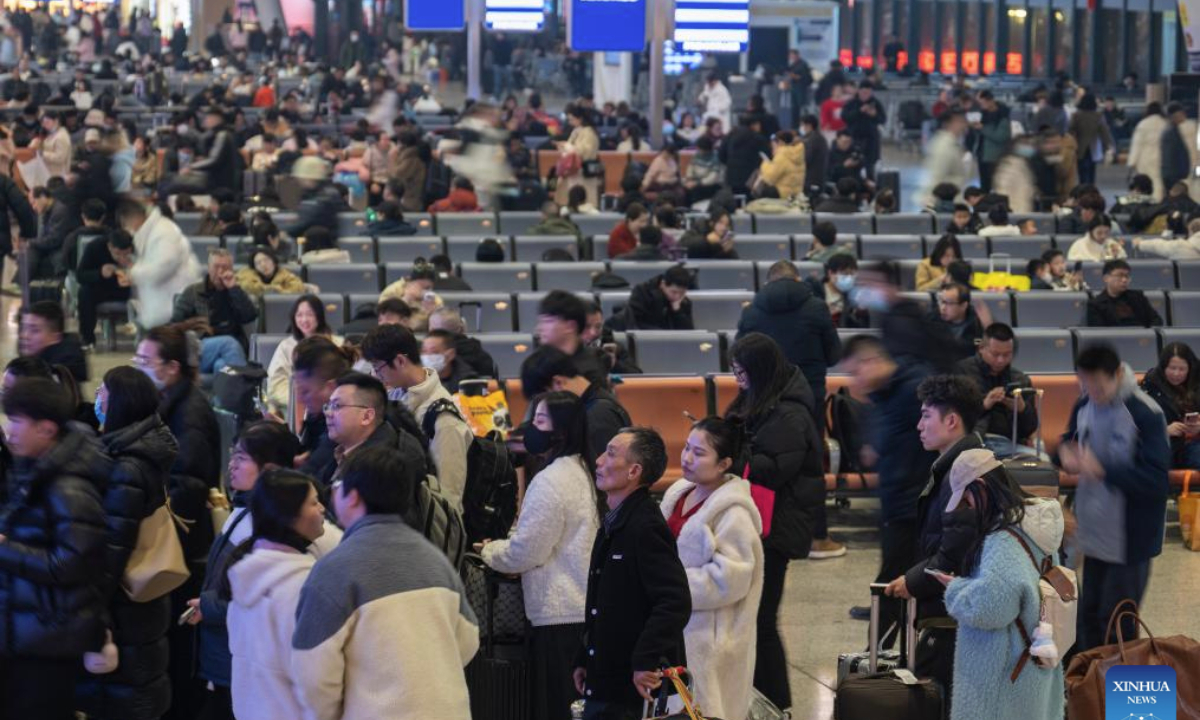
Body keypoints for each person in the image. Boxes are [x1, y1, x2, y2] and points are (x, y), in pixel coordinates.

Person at [292, 444, 479, 719]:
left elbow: (313, 673)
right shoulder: (434, 559)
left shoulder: (334, 570)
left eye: (336, 484)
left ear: (353, 497)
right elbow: (469, 639)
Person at [480, 392, 599, 720]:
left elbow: (525, 552)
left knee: (557, 709)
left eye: (541, 421)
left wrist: (490, 550)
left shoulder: (552, 481)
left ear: (561, 431)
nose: (532, 427)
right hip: (579, 609)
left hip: (559, 615)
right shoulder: (582, 471)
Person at [724, 334, 824, 712]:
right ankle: (760, 701)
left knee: (763, 621)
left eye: (741, 371)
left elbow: (771, 469)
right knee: (755, 619)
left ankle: (777, 704)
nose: (737, 379)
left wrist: (728, 454)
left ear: (760, 370)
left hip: (777, 527)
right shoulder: (765, 401)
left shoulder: (789, 413)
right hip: (765, 521)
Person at [0, 377, 109, 720]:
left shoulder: (68, 487)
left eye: (17, 421)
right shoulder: (34, 469)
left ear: (46, 430)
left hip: (49, 639)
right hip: (27, 630)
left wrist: (5, 549)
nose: (9, 430)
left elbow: (72, 563)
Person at [74, 367, 175, 720]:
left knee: (126, 699)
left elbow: (114, 549)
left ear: (119, 403)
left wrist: (93, 611)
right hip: (137, 610)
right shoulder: (132, 453)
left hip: (125, 610)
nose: (97, 398)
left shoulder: (127, 468)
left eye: (103, 392)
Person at [934, 452, 1065, 720]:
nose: (969, 507)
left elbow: (991, 608)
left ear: (981, 487)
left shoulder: (1003, 539)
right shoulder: (1038, 530)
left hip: (1005, 678)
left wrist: (955, 589)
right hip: (1036, 666)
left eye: (968, 498)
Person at [573, 428, 691, 720]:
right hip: (605, 671)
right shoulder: (614, 522)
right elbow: (603, 602)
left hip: (630, 685)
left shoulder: (645, 526)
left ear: (634, 471)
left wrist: (646, 660)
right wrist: (585, 656)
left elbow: (674, 601)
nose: (599, 460)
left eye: (611, 453)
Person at [1059, 344, 1169, 652]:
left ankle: (1121, 699)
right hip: (1093, 532)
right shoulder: (1084, 405)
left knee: (1118, 622)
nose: (1091, 391)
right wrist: (1064, 451)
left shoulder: (1145, 413)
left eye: (1098, 385)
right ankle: (1090, 694)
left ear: (1118, 374)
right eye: (1085, 383)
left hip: (1130, 538)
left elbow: (1158, 482)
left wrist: (1104, 471)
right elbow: (1070, 440)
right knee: (1088, 618)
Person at [884, 374, 986, 698]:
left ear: (952, 420)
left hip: (953, 620)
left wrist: (913, 581)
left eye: (927, 415)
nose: (919, 425)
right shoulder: (958, 465)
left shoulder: (964, 474)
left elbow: (955, 554)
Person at [662, 417, 763, 720]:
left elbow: (729, 580)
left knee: (702, 711)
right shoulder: (679, 492)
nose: (687, 458)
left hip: (707, 637)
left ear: (724, 464)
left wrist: (671, 585)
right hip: (671, 625)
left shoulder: (734, 513)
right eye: (687, 448)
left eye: (699, 453)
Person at [840, 335, 936, 629]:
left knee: (894, 583)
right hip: (897, 501)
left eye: (856, 372)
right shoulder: (885, 394)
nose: (855, 381)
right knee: (895, 583)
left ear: (871, 361)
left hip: (915, 504)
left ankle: (877, 662)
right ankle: (886, 658)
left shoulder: (914, 389)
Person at [225, 469, 336, 720]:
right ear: (289, 515)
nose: (321, 509)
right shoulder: (302, 587)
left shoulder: (246, 576)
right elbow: (317, 680)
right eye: (313, 502)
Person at [360, 324, 473, 507]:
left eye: (378, 367)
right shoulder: (396, 395)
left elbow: (449, 497)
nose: (377, 375)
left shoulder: (443, 418)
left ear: (400, 361)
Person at [738, 259, 839, 409]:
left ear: (767, 284)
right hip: (809, 396)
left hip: (762, 398)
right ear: (798, 280)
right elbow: (833, 356)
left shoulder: (750, 313)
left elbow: (738, 357)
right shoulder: (818, 308)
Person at [520, 347, 631, 460]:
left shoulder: (598, 416)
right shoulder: (588, 406)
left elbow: (602, 472)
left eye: (543, 398)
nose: (543, 406)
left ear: (558, 382)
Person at [957, 323, 1039, 457]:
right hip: (972, 442)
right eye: (995, 354)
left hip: (1008, 443)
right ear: (981, 348)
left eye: (1007, 355)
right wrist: (984, 405)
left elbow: (1029, 430)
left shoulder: (1020, 379)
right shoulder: (962, 372)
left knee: (1041, 461)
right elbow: (952, 418)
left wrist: (1022, 409)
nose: (1001, 360)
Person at [171, 248, 258, 373]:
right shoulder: (193, 292)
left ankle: (228, 392)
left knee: (221, 366)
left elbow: (250, 316)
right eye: (216, 266)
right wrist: (195, 326)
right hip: (201, 348)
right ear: (208, 268)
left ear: (231, 269)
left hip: (233, 349)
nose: (220, 271)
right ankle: (248, 387)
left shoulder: (236, 291)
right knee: (228, 343)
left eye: (225, 267)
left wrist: (233, 289)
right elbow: (174, 325)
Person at [120, 200, 200, 329]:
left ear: (134, 218)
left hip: (173, 308)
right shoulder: (152, 232)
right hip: (163, 307)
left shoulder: (164, 232)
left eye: (126, 222)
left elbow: (163, 267)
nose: (127, 227)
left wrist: (134, 273)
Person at [267, 295, 342, 415]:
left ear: (319, 316)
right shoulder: (286, 346)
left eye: (310, 314)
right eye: (299, 315)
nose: (304, 320)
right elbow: (276, 385)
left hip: (333, 406)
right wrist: (303, 399)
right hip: (295, 406)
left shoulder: (338, 343)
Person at [1141, 342, 1200, 470]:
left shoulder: (1197, 382)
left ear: (1190, 368)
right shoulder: (1151, 386)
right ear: (1163, 367)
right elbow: (1137, 425)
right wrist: (1164, 431)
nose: (1176, 374)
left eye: (1181, 369)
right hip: (1166, 445)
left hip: (1195, 444)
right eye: (1172, 368)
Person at [537, 291, 609, 387]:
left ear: (570, 326)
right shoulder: (539, 363)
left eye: (548, 321)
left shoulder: (589, 371)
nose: (540, 328)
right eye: (541, 321)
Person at [19, 300, 88, 383]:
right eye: (24, 328)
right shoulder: (36, 361)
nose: (25, 336)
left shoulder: (59, 374)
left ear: (56, 336)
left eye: (34, 330)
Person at [1085, 259, 1162, 328]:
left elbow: (1156, 320)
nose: (1124, 280)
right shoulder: (1095, 305)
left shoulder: (1138, 297)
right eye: (1120, 275)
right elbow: (1099, 333)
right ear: (1106, 278)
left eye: (1127, 276)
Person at [619, 266, 694, 331]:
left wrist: (677, 311)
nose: (677, 297)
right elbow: (634, 323)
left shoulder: (683, 302)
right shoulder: (643, 293)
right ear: (663, 284)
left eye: (682, 293)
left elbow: (689, 333)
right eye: (674, 292)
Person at [555, 106, 601, 207]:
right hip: (573, 171)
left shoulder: (589, 132)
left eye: (572, 119)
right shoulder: (576, 131)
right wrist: (565, 147)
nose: (570, 122)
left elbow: (586, 152)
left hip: (583, 171)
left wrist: (567, 146)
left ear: (580, 118)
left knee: (583, 203)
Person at [920, 111, 970, 207]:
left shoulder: (952, 144)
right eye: (960, 122)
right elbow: (937, 176)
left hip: (951, 198)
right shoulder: (944, 146)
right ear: (949, 124)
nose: (964, 125)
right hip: (945, 202)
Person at [840, 81, 887, 180]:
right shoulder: (851, 103)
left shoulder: (876, 103)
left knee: (871, 164)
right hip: (855, 137)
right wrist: (859, 111)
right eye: (864, 93)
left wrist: (874, 115)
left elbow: (882, 119)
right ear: (859, 91)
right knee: (854, 162)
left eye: (868, 93)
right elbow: (845, 117)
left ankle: (871, 183)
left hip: (871, 139)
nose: (866, 95)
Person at [934, 283, 990, 362]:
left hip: (967, 367)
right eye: (942, 302)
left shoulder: (977, 322)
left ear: (964, 306)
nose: (943, 308)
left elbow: (979, 343)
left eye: (949, 303)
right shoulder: (933, 319)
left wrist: (988, 328)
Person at [378, 264, 443, 331]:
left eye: (428, 288)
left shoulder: (434, 299)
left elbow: (439, 327)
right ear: (409, 282)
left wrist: (432, 314)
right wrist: (407, 299)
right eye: (420, 286)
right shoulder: (392, 291)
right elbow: (385, 317)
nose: (424, 291)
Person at [720, 113, 771, 195]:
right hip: (751, 181)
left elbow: (721, 156)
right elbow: (768, 158)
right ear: (753, 125)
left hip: (731, 179)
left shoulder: (730, 135)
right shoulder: (758, 138)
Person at [970, 91, 1011, 191]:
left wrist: (982, 128)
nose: (980, 105)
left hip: (994, 156)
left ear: (990, 101)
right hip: (982, 155)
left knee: (997, 186)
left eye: (982, 103)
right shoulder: (983, 115)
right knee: (984, 186)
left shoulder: (1002, 117)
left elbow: (1001, 137)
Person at [1069, 94, 1113, 186]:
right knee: (1091, 170)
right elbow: (1104, 131)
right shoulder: (1098, 115)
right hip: (1093, 145)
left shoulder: (1076, 115)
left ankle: (1082, 188)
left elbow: (1070, 130)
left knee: (1081, 171)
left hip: (1079, 145)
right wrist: (1108, 145)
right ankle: (1091, 188)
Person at [1128, 102, 1167, 200]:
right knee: (1158, 182)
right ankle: (1158, 201)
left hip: (1145, 158)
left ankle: (1144, 201)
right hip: (1161, 157)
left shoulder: (1143, 124)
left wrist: (1132, 162)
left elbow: (1137, 144)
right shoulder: (1165, 123)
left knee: (1144, 182)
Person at [234, 246, 305, 297]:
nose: (263, 265)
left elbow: (297, 288)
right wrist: (273, 289)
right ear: (254, 267)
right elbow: (248, 286)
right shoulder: (246, 276)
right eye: (258, 263)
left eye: (266, 260)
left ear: (273, 261)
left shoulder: (286, 275)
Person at [758, 130, 806, 200]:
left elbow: (769, 178)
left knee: (762, 187)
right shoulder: (798, 154)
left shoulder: (782, 155)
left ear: (780, 142)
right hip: (796, 192)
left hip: (782, 193)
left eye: (773, 144)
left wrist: (765, 164)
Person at [1162, 102, 1192, 191]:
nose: (1184, 115)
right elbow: (1169, 156)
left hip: (1175, 175)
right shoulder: (1170, 132)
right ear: (1174, 115)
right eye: (1181, 113)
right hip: (1173, 176)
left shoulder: (1175, 130)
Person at [698, 74, 733, 138]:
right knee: (704, 121)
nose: (709, 84)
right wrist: (700, 99)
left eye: (711, 82)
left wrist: (717, 109)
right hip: (710, 114)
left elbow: (728, 103)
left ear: (715, 81)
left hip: (720, 115)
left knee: (720, 132)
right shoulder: (707, 87)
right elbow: (704, 95)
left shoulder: (722, 90)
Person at [786, 49, 813, 127]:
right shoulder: (793, 64)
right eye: (790, 55)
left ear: (796, 55)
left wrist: (796, 77)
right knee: (794, 108)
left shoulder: (803, 64)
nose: (791, 57)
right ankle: (794, 125)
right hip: (794, 88)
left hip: (800, 89)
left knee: (801, 107)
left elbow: (805, 77)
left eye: (792, 55)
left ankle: (803, 124)